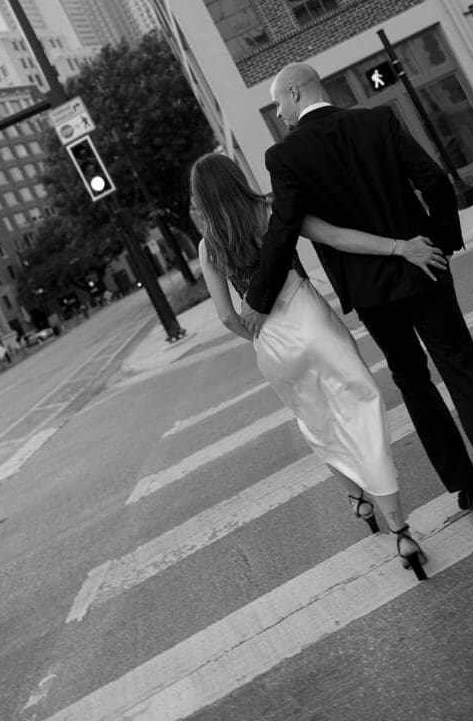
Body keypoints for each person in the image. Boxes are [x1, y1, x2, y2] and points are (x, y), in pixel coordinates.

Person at [240, 61, 473, 514]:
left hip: (371, 291)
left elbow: (284, 227)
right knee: (462, 369)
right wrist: (443, 242)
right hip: (425, 266)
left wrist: (258, 298)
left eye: (278, 102)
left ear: (297, 93)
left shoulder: (285, 157)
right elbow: (433, 179)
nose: (278, 114)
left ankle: (464, 486)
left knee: (412, 379)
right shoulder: (375, 120)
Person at [191, 153, 448, 581]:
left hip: (273, 344)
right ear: (237, 178)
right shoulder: (271, 211)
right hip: (314, 324)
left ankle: (356, 499)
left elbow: (225, 316)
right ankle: (400, 529)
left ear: (203, 197)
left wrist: (256, 337)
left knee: (315, 422)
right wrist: (398, 247)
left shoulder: (209, 247)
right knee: (360, 409)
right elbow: (336, 236)